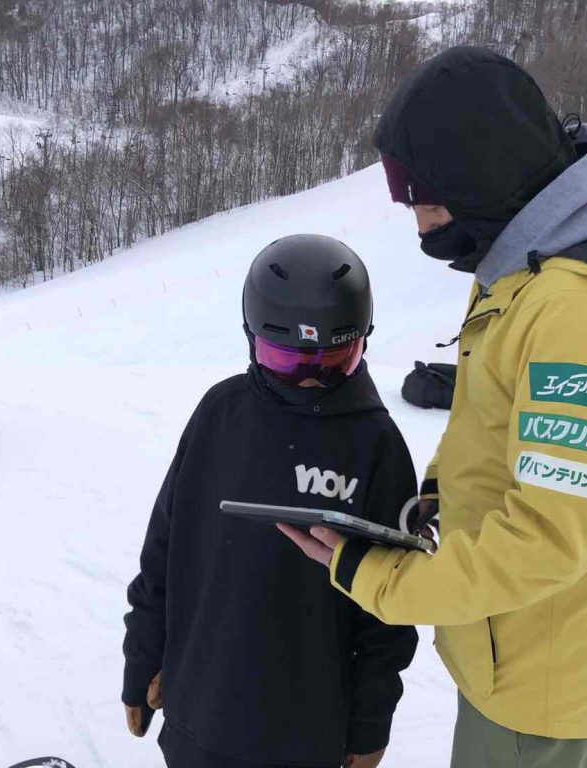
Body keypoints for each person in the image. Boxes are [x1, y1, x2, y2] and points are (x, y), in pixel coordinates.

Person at [281, 46, 587, 768]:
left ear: (483, 178)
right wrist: (444, 486)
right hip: (518, 641)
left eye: (431, 204)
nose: (422, 229)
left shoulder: (582, 314)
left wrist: (375, 579)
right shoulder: (526, 257)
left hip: (547, 674)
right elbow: (492, 412)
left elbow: (546, 539)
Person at [122, 234, 419, 768]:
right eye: (285, 357)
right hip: (198, 716)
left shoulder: (375, 445)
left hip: (305, 736)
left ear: (362, 341)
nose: (308, 377)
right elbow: (164, 548)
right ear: (251, 339)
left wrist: (369, 727)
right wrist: (143, 656)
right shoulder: (221, 413)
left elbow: (391, 613)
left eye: (332, 358)